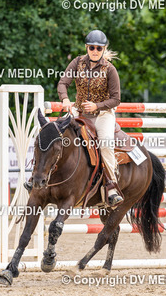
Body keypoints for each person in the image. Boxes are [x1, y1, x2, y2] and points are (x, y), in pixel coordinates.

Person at [25, 29, 123, 206]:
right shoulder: (77, 63)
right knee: (54, 135)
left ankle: (111, 186)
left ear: (103, 49)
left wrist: (97, 106)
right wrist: (65, 99)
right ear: (86, 47)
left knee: (106, 143)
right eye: (92, 47)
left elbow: (116, 99)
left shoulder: (110, 70)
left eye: (99, 48)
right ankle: (36, 178)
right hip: (79, 111)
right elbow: (63, 83)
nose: (95, 51)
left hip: (103, 114)